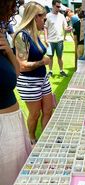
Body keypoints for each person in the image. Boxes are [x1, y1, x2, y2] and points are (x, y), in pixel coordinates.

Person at [0, 0, 32, 185]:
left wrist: (9, 51)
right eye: (11, 5)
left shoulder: (2, 32)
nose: (14, 10)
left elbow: (16, 72)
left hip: (13, 121)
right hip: (3, 127)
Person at [14, 1, 53, 144]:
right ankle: (31, 139)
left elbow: (38, 53)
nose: (45, 22)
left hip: (42, 79)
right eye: (44, 18)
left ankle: (45, 140)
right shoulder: (21, 35)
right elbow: (22, 66)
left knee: (48, 110)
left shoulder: (35, 33)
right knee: (35, 114)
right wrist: (43, 62)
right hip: (29, 82)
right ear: (35, 17)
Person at [44, 0, 71, 77]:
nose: (59, 8)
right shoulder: (48, 16)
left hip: (59, 40)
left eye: (60, 6)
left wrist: (68, 29)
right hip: (50, 40)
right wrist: (46, 39)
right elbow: (45, 28)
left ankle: (61, 71)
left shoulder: (62, 16)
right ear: (53, 6)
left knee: (60, 57)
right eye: (57, 6)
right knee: (50, 57)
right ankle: (50, 71)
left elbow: (65, 27)